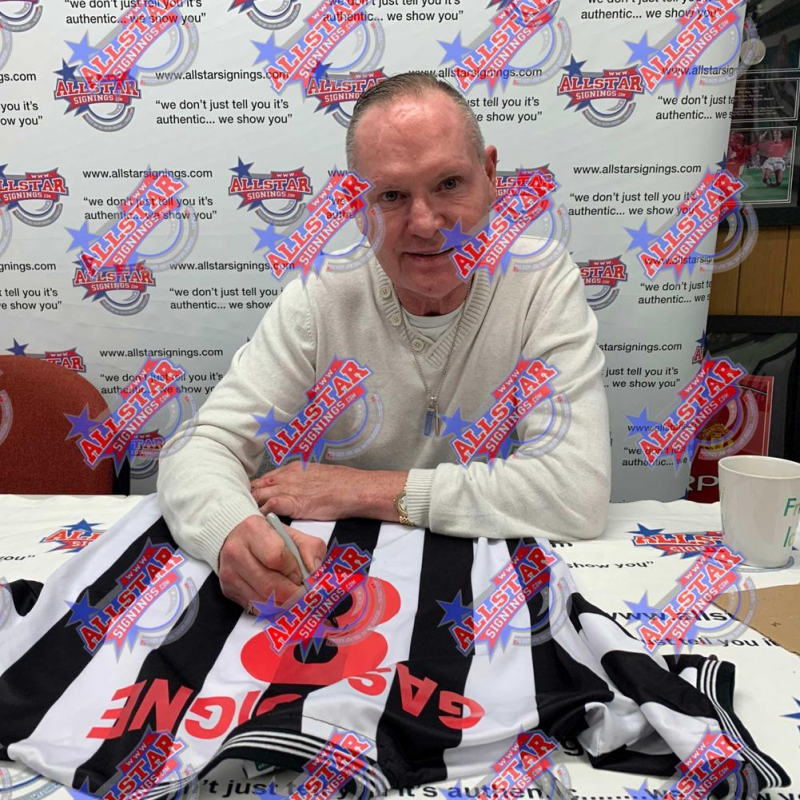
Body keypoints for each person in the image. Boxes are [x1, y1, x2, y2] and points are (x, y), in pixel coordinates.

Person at [157, 73, 611, 610]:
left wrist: (361, 490)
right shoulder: (321, 295)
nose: (426, 223)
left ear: (490, 177)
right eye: (391, 196)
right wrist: (230, 531)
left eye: (449, 183)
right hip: (344, 591)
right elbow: (202, 446)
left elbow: (574, 492)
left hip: (496, 598)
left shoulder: (541, 281)